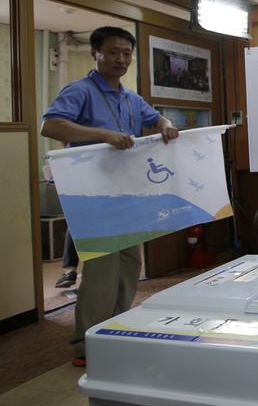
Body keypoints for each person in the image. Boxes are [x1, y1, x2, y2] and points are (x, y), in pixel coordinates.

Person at [41, 26, 179, 367]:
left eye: (126, 53)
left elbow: (155, 117)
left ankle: (116, 328)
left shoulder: (130, 97)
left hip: (127, 193)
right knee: (103, 270)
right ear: (95, 54)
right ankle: (86, 345)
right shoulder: (81, 91)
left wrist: (164, 123)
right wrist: (102, 134)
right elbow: (51, 126)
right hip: (94, 195)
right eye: (113, 52)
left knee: (130, 265)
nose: (121, 59)